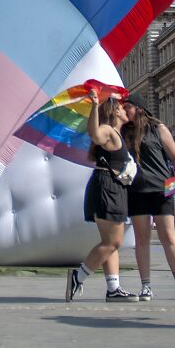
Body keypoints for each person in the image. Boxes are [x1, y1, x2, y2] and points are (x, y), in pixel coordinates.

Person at [121, 92, 175, 301]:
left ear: (138, 108)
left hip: (162, 188)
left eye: (127, 106)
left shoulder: (158, 128)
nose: (123, 110)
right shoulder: (123, 131)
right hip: (136, 190)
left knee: (168, 237)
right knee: (142, 238)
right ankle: (146, 286)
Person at [66, 89, 138, 302]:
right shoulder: (107, 130)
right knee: (113, 242)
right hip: (107, 187)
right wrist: (95, 105)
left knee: (110, 242)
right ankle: (78, 277)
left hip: (111, 187)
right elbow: (94, 135)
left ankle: (113, 288)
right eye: (122, 107)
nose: (126, 110)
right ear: (115, 111)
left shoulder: (118, 134)